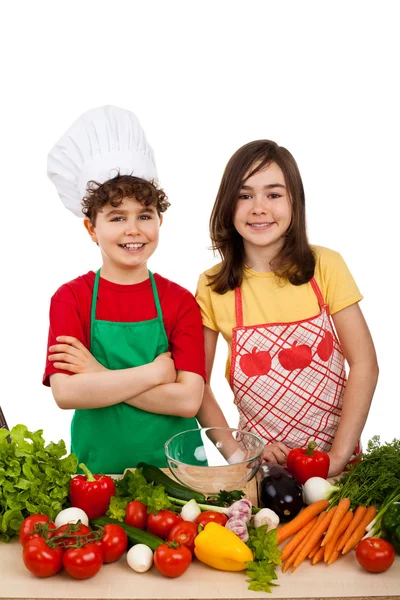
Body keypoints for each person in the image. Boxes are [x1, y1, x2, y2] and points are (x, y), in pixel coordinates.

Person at [195, 140, 378, 477]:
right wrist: (241, 455)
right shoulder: (212, 285)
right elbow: (198, 386)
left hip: (337, 469)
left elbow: (365, 364)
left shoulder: (326, 266)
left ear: (295, 202)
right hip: (265, 469)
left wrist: (336, 459)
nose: (259, 207)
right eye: (244, 195)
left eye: (274, 194)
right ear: (227, 204)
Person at [43, 106, 206, 474]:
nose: (133, 229)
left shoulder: (179, 301)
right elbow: (66, 393)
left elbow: (188, 401)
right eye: (117, 218)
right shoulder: (71, 298)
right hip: (98, 478)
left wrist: (96, 374)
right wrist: (155, 373)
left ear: (159, 220)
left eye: (144, 215)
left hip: (180, 476)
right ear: (91, 227)